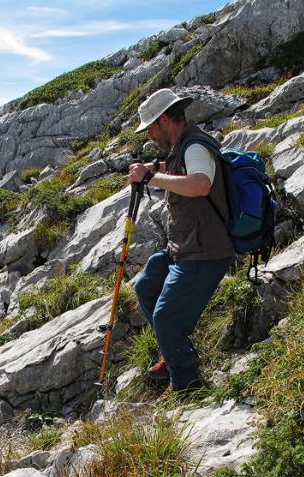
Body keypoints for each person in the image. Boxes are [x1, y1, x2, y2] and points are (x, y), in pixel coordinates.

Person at [127, 88, 234, 395]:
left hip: (206, 250)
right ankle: (177, 351)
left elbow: (200, 184)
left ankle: (187, 384)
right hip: (185, 245)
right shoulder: (181, 145)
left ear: (164, 120)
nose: (149, 134)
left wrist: (151, 179)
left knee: (165, 316)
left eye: (150, 127)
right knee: (146, 286)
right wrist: (153, 168)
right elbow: (176, 168)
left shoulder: (195, 146)